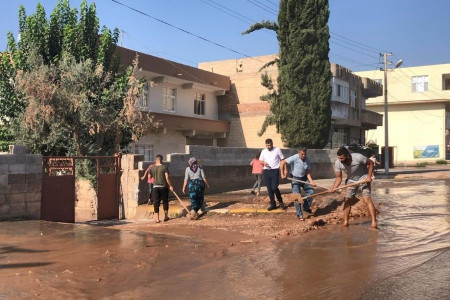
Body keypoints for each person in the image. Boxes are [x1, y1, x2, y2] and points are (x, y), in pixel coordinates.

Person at [330, 147, 377, 229]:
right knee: (347, 200)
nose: (340, 160)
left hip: (363, 178)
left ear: (347, 156)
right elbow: (338, 178)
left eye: (342, 158)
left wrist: (369, 176)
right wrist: (334, 187)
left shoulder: (358, 157)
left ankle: (374, 223)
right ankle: (345, 222)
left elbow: (371, 163)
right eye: (339, 158)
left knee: (367, 199)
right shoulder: (338, 163)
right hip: (351, 181)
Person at [281, 148, 317, 221]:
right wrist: (283, 173)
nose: (303, 155)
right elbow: (282, 162)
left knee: (311, 192)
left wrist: (311, 181)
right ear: (299, 153)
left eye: (305, 154)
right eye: (302, 154)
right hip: (295, 178)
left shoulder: (307, 160)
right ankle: (299, 214)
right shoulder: (295, 157)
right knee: (296, 196)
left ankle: (306, 207)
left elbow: (307, 172)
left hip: (304, 178)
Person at [144, 154, 173, 223]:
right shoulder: (164, 167)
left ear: (156, 160)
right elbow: (167, 178)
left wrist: (155, 177)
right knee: (165, 201)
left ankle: (157, 218)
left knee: (156, 202)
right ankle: (165, 217)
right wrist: (170, 185)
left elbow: (149, 178)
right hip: (164, 186)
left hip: (155, 187)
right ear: (161, 160)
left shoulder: (151, 168)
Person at [259, 138, 286, 211]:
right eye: (267, 145)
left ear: (272, 144)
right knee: (269, 189)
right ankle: (273, 204)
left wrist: (284, 171)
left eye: (269, 145)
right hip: (266, 171)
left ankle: (280, 201)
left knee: (274, 187)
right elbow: (260, 160)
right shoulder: (263, 151)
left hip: (274, 170)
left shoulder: (277, 150)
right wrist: (264, 163)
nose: (268, 147)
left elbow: (283, 160)